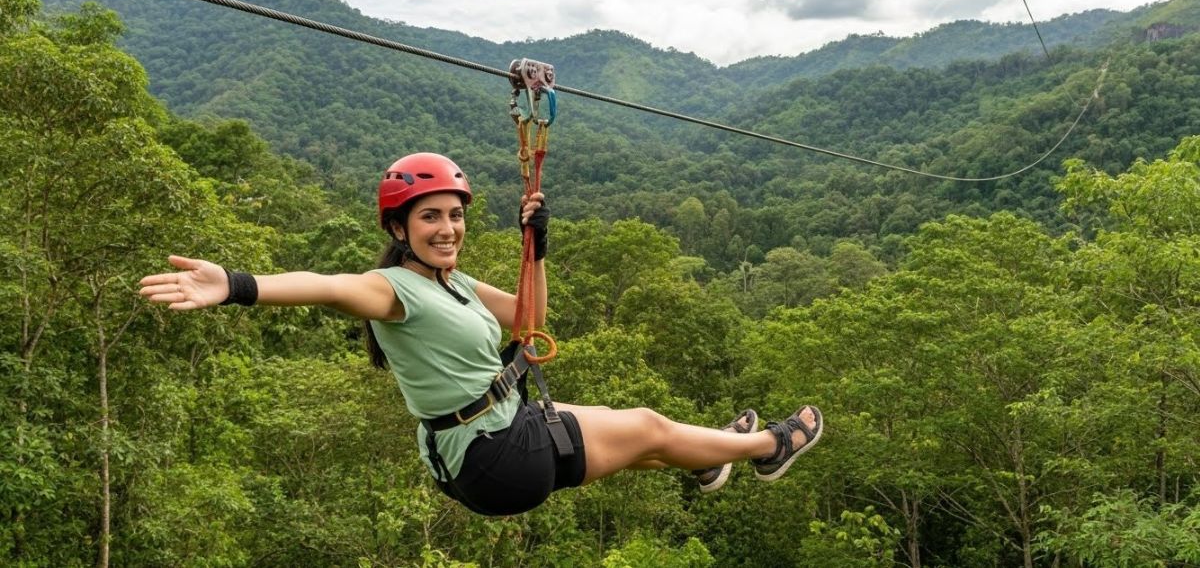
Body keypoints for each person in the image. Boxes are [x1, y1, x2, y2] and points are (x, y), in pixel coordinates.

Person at [139, 152, 823, 516]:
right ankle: (770, 445)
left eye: (456, 216)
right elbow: (324, 284)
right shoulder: (394, 289)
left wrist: (539, 247)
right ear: (398, 229)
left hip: (485, 448)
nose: (447, 229)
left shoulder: (455, 282)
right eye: (429, 217)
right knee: (643, 423)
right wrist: (236, 283)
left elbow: (530, 319)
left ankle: (707, 459)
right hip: (495, 454)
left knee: (633, 436)